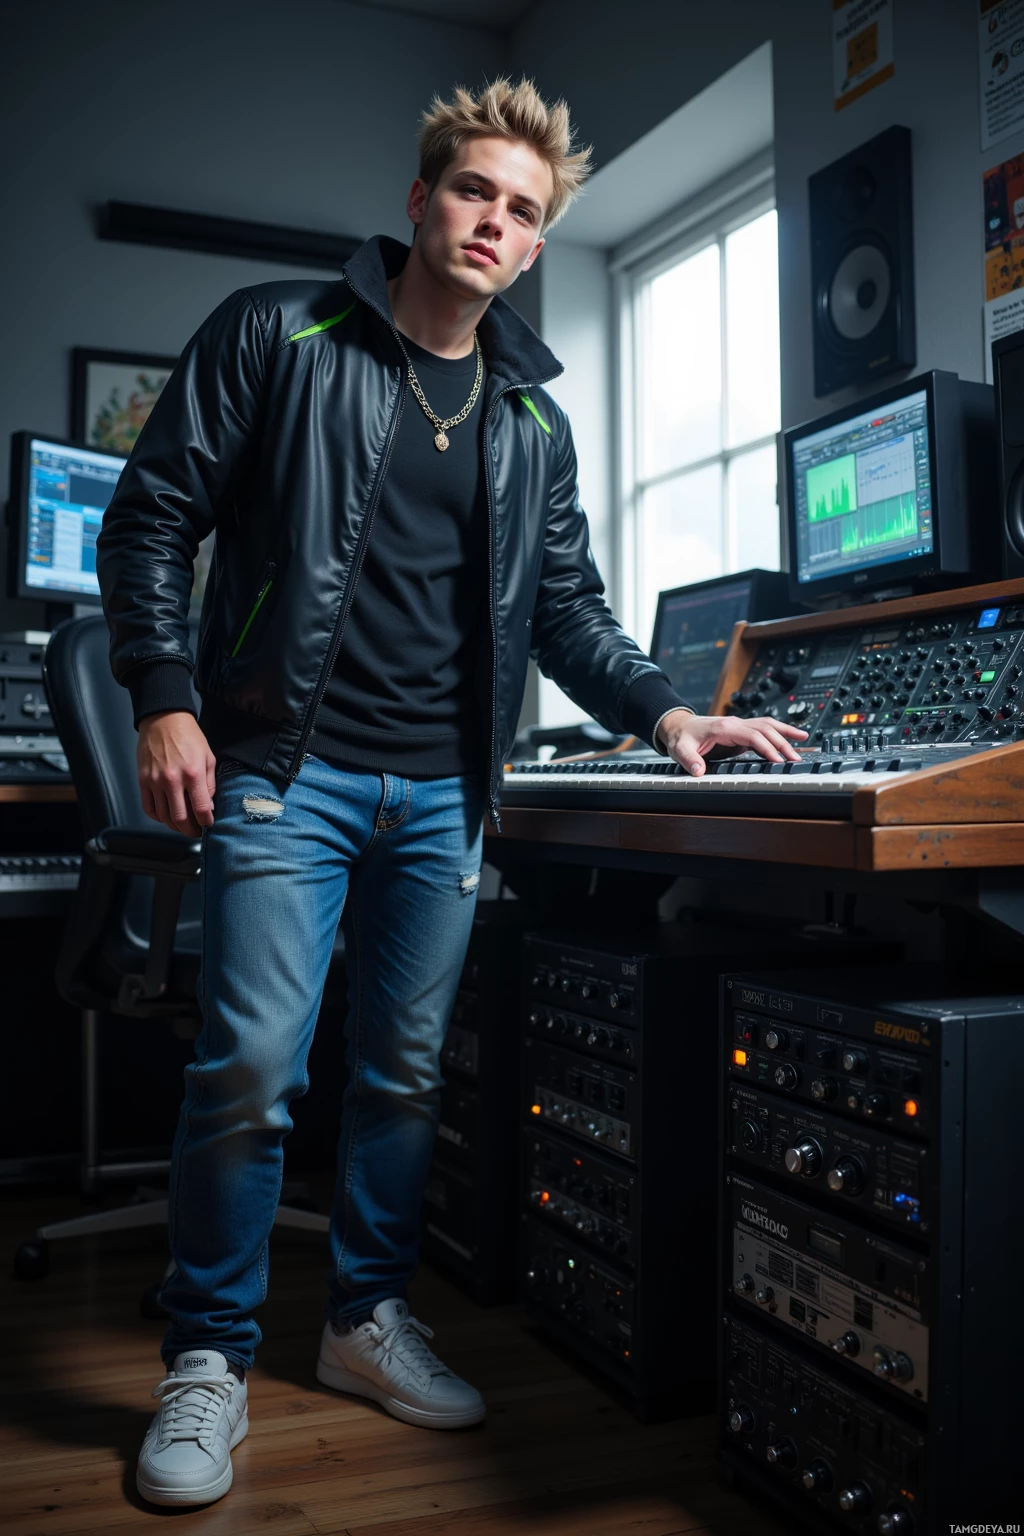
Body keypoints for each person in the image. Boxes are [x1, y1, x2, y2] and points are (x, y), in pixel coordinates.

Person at [96, 76, 807, 1510]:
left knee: (406, 1077)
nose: (496, 221)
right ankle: (209, 1359)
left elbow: (567, 615)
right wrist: (167, 699)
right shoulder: (275, 335)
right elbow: (153, 516)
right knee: (252, 1073)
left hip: (442, 797)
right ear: (422, 201)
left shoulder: (532, 426)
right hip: (283, 776)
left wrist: (670, 710)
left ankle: (362, 1322)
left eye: (525, 211)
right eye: (477, 191)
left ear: (537, 248)